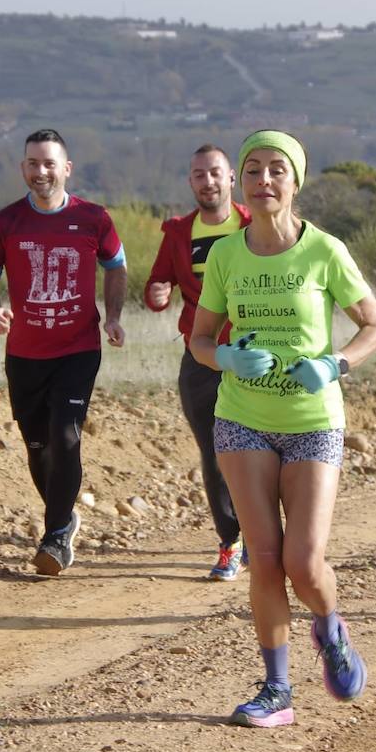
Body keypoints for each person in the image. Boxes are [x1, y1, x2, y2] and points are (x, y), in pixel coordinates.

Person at [189, 129, 376, 727]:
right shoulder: (226, 254)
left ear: (295, 182)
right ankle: (277, 691)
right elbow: (199, 339)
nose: (264, 180)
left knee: (304, 562)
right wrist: (224, 358)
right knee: (266, 558)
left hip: (311, 421)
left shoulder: (325, 250)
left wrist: (335, 363)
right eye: (254, 170)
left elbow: (375, 325)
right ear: (243, 183)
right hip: (243, 416)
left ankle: (330, 632)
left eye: (277, 169)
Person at [0, 128, 127, 575]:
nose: (41, 172)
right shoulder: (5, 222)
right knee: (37, 446)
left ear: (66, 168)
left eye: (49, 163)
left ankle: (56, 535)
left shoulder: (94, 218)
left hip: (78, 349)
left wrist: (113, 316)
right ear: (24, 168)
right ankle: (65, 516)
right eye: (33, 164)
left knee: (64, 436)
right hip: (24, 355)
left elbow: (116, 266)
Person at [144, 145, 252, 579]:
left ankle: (266, 535)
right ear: (191, 182)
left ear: (230, 179)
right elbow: (158, 279)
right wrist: (157, 294)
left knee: (263, 449)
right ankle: (231, 541)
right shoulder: (177, 233)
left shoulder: (252, 224)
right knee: (214, 452)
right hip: (201, 354)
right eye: (198, 175)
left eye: (214, 173)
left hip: (254, 354)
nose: (207, 181)